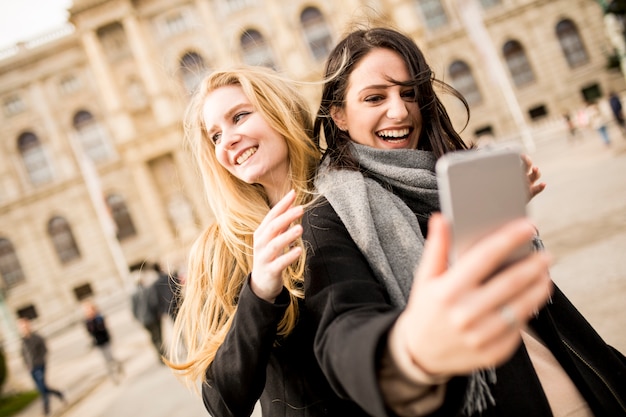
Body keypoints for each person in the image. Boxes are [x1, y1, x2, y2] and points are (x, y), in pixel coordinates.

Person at [302, 27, 626, 417]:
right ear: (338, 114)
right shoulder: (327, 217)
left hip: (589, 386)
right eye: (374, 98)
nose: (400, 110)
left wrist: (506, 221)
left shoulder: (453, 179)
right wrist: (409, 354)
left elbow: (534, 304)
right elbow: (343, 332)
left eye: (409, 93)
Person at [167, 66, 364, 416]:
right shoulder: (221, 250)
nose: (227, 140)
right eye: (215, 136)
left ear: (281, 110)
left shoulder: (354, 193)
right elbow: (223, 403)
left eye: (239, 117)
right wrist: (259, 292)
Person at [18, 318, 65, 416]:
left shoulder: (37, 338)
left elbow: (44, 350)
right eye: (21, 327)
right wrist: (26, 365)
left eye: (25, 326)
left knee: (42, 388)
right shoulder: (23, 341)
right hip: (31, 369)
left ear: (29, 326)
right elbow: (23, 354)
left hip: (39, 366)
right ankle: (58, 393)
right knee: (41, 388)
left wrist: (39, 361)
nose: (24, 328)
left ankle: (46, 409)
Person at [83, 300, 123, 383]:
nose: (89, 312)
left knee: (111, 358)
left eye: (90, 309)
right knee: (106, 361)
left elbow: (102, 328)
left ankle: (119, 366)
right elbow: (89, 332)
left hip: (106, 340)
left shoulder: (99, 317)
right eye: (87, 310)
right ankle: (114, 378)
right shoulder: (87, 321)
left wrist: (95, 321)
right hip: (98, 343)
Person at [130, 273, 163, 358]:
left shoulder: (133, 295)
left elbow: (133, 309)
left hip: (144, 320)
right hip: (153, 317)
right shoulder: (148, 290)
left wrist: (138, 319)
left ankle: (159, 353)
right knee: (158, 336)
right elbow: (154, 302)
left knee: (153, 336)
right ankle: (161, 353)